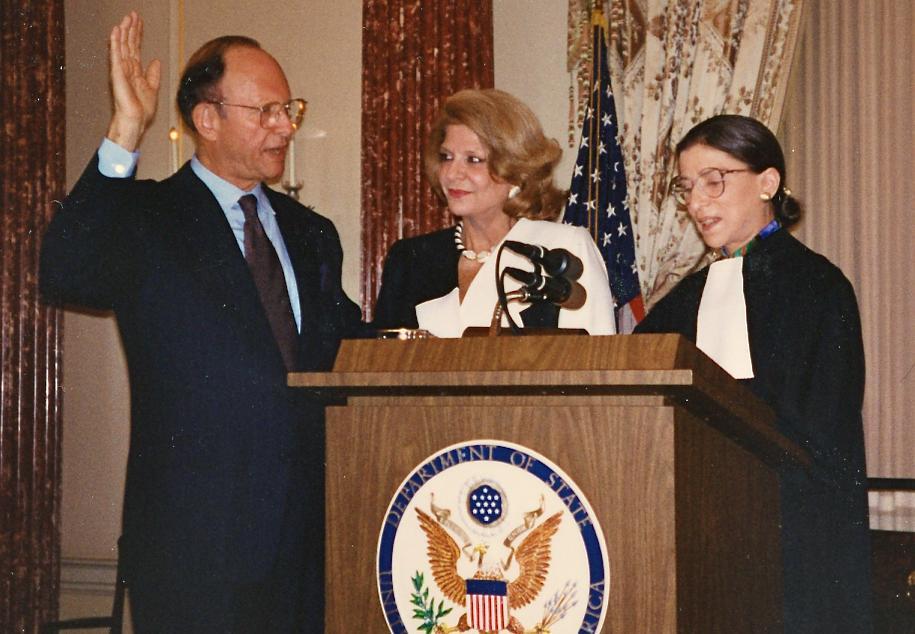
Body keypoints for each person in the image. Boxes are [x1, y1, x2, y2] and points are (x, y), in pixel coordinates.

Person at [39, 13, 362, 632]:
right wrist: (125, 129)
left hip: (308, 544)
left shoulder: (310, 233)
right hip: (193, 548)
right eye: (264, 111)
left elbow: (345, 349)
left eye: (288, 108)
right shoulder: (152, 218)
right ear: (207, 120)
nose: (285, 125)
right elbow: (66, 271)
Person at [636, 114, 872, 631]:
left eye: (715, 181)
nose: (698, 202)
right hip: (701, 537)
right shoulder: (684, 301)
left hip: (796, 542)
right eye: (687, 187)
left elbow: (821, 431)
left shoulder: (817, 286)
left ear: (767, 182)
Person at [373, 89, 616, 336]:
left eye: (473, 159)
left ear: (515, 171)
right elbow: (378, 366)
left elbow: (595, 365)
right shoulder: (412, 259)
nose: (452, 173)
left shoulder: (561, 251)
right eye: (446, 157)